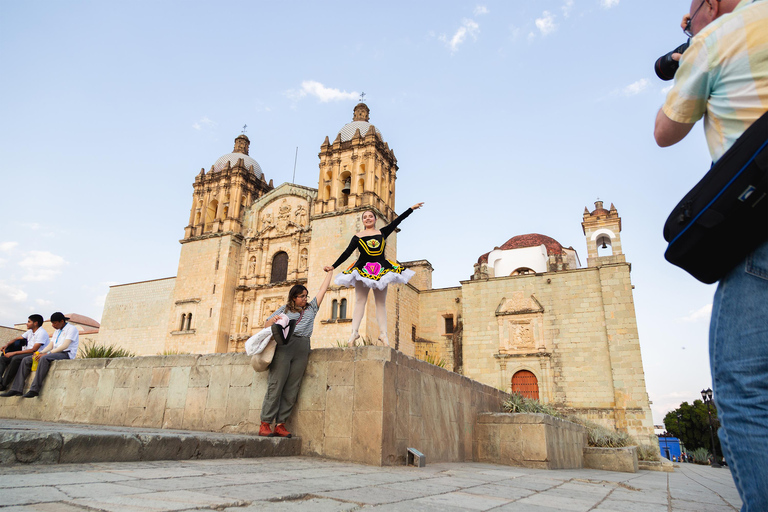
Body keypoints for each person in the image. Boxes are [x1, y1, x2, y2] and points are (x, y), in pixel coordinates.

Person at [654, 1, 768, 510]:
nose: (687, 22)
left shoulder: (720, 34)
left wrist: (693, 46)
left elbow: (665, 131)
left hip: (759, 226)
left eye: (690, 12)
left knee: (746, 391)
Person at [328, 203, 424, 347]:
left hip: (381, 269)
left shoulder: (382, 232)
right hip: (362, 269)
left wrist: (411, 209)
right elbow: (347, 253)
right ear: (363, 221)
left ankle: (383, 334)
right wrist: (333, 266)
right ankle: (354, 332)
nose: (368, 219)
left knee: (381, 303)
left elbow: (397, 221)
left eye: (370, 216)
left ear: (375, 219)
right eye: (365, 217)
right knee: (360, 301)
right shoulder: (357, 237)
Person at [259, 268, 334, 438]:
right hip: (285, 345)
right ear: (294, 297)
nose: (305, 299)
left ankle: (280, 424)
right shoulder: (284, 309)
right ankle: (265, 423)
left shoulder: (312, 309)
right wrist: (274, 320)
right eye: (302, 296)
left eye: (306, 296)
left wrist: (330, 273)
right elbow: (265, 324)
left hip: (303, 347)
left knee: (293, 386)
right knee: (276, 384)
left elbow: (323, 290)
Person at [0, 312, 79, 398]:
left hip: (65, 353)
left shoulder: (71, 329)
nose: (53, 325)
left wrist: (47, 353)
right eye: (52, 323)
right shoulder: (57, 331)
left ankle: (34, 389)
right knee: (26, 359)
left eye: (55, 323)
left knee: (43, 359)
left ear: (62, 321)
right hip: (54, 352)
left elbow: (65, 346)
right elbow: (51, 344)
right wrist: (40, 353)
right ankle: (16, 389)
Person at [0, 314, 49, 391]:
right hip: (27, 352)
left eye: (29, 322)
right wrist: (6, 345)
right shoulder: (30, 331)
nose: (27, 323)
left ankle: (4, 384)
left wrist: (14, 353)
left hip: (35, 353)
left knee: (15, 359)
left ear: (35, 323)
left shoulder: (41, 333)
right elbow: (17, 339)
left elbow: (33, 350)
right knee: (3, 358)